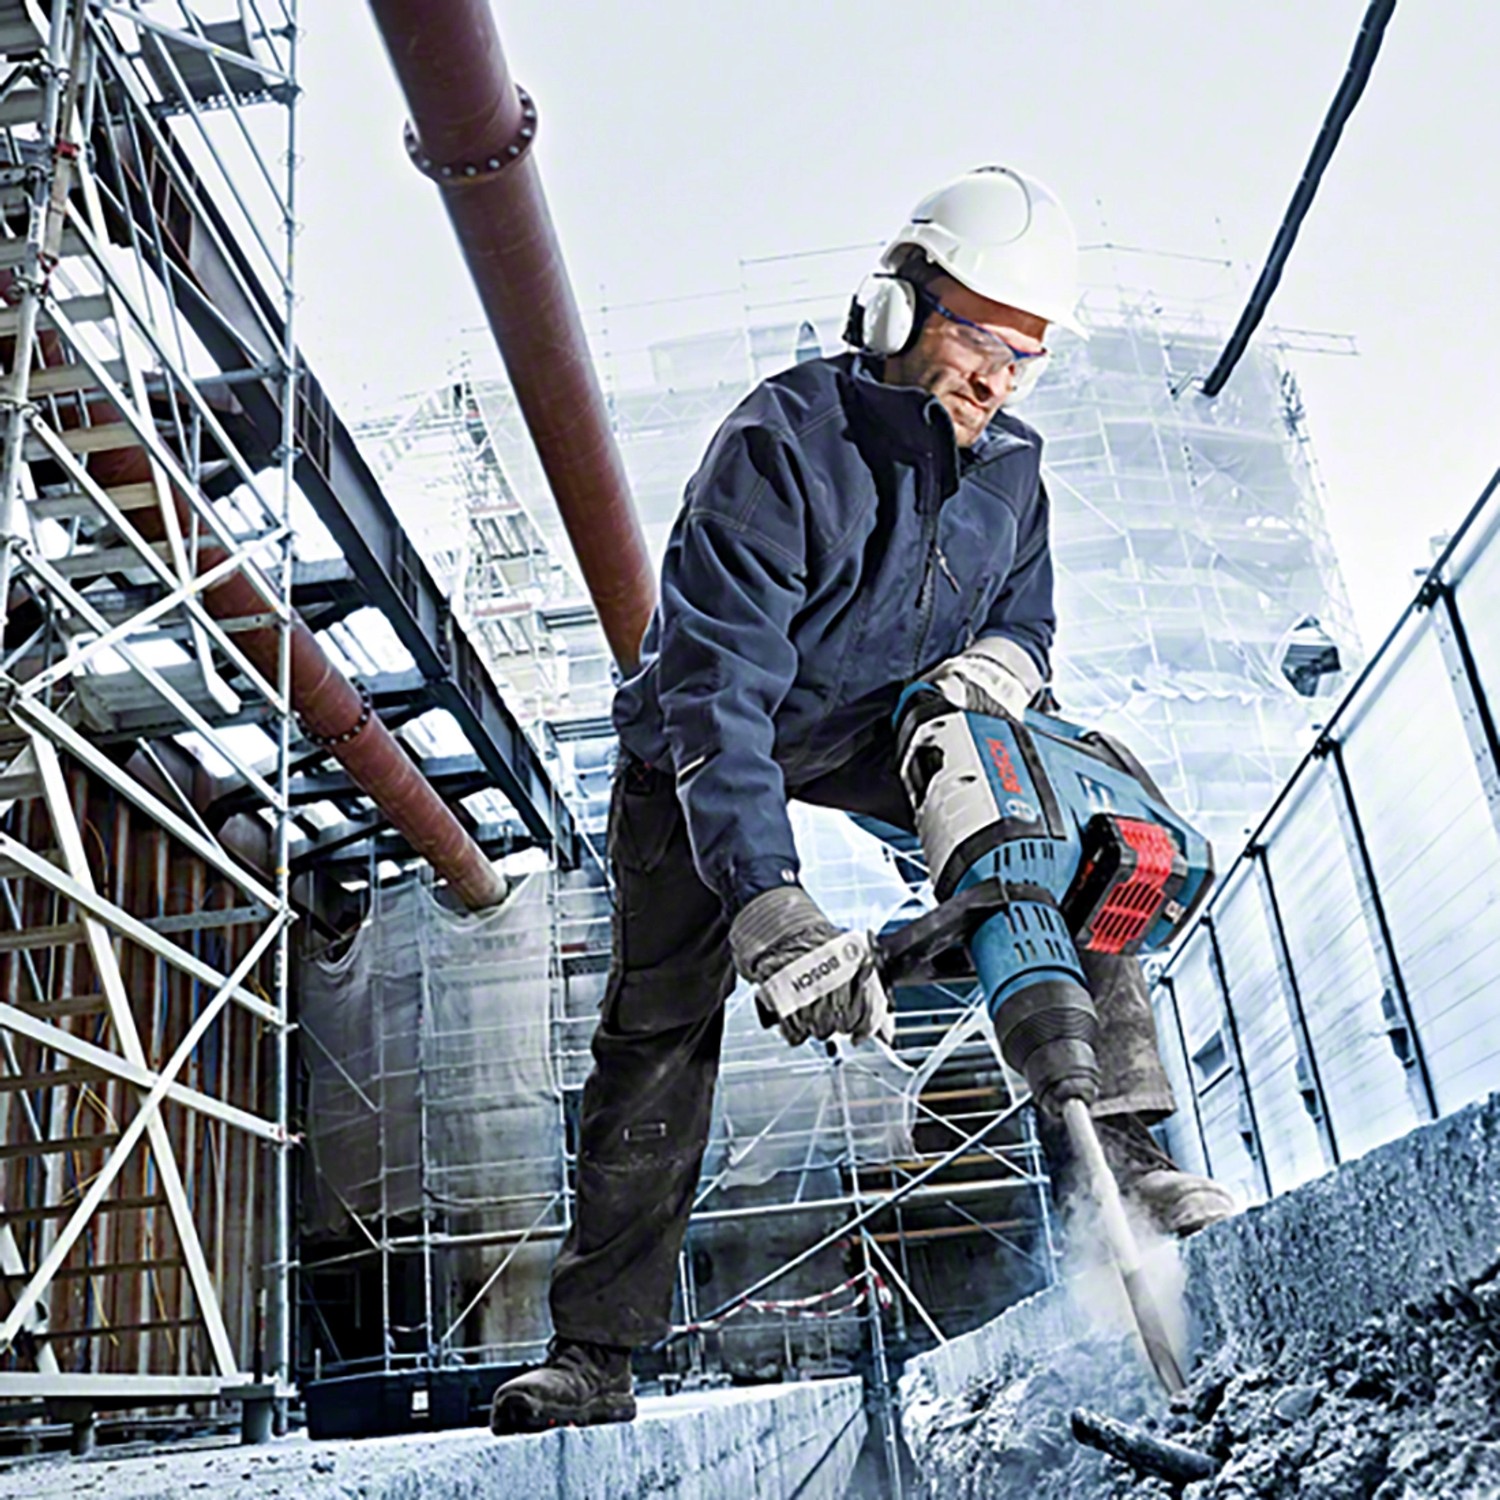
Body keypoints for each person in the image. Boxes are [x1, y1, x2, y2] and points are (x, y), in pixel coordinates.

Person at [489, 165, 1235, 1436]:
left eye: (1025, 357)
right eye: (978, 339)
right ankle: (595, 1357)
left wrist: (993, 677)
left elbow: (1026, 616)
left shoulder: (1014, 474)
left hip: (882, 721)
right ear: (896, 306)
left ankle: (1130, 1157)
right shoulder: (781, 447)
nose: (999, 377)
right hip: (707, 730)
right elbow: (717, 693)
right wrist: (771, 906)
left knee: (1049, 833)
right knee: (662, 1013)